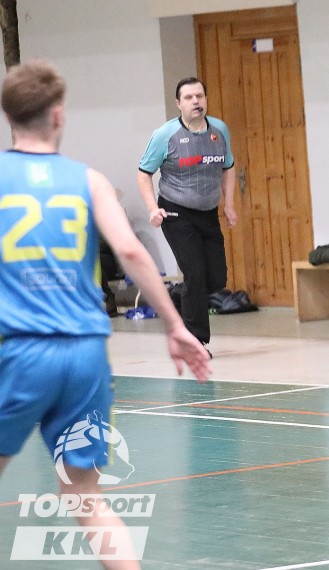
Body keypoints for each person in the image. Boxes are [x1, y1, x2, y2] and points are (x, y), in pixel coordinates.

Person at [0, 60, 212, 570]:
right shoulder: (88, 180)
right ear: (58, 115)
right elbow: (133, 253)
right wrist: (175, 325)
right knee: (85, 497)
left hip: (19, 352)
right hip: (86, 356)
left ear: (8, 115)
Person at [137, 77, 237, 353]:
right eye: (189, 97)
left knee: (216, 279)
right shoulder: (165, 135)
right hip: (176, 212)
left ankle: (176, 300)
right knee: (195, 273)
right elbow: (144, 173)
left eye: (200, 96)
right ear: (178, 103)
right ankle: (196, 341)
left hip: (208, 212)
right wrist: (152, 209)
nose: (196, 102)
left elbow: (228, 167)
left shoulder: (219, 130)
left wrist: (229, 204)